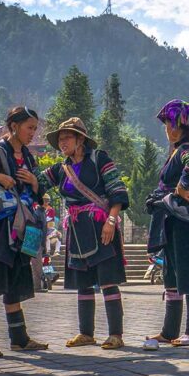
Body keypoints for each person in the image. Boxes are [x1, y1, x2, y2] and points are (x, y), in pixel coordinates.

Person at [39, 117, 129, 350]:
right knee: (83, 283)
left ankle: (115, 334)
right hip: (77, 232)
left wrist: (111, 220)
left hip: (101, 228)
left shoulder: (100, 159)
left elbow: (117, 191)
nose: (62, 142)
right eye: (60, 139)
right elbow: (36, 183)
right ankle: (86, 333)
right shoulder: (60, 169)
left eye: (67, 137)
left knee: (107, 281)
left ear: (81, 139)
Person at [0, 106, 49, 358]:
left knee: (16, 276)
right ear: (14, 126)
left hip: (23, 227)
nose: (33, 133)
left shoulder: (28, 157)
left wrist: (34, 181)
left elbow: (39, 188)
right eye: (30, 128)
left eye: (35, 129)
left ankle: (19, 338)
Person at [144, 100, 189, 349]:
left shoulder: (185, 150)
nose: (166, 128)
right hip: (171, 220)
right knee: (171, 274)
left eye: (169, 123)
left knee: (188, 273)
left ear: (178, 126)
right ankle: (169, 330)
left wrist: (182, 186)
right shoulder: (175, 151)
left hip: (184, 223)